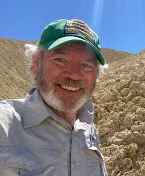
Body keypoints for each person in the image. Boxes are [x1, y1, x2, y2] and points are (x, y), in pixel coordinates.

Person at [0, 19, 108, 176]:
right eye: (61, 60)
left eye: (86, 65)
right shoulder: (5, 124)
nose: (75, 75)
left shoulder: (88, 129)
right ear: (37, 64)